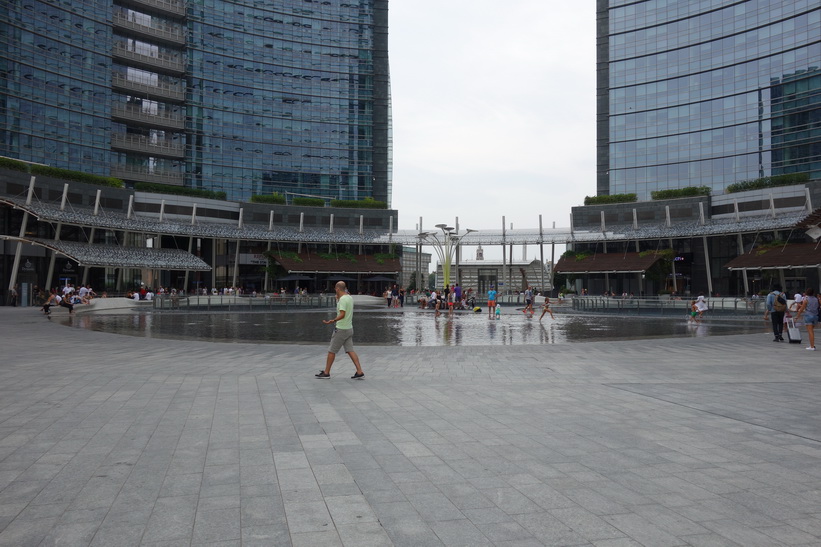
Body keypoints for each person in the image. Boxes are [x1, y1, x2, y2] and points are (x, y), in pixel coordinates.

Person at [316, 281, 364, 379]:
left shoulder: (342, 300)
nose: (335, 290)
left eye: (335, 289)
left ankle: (326, 372)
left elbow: (342, 314)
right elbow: (345, 309)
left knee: (331, 351)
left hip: (341, 329)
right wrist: (338, 300)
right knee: (350, 350)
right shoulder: (349, 297)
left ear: (337, 289)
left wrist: (332, 320)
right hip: (349, 328)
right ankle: (359, 371)